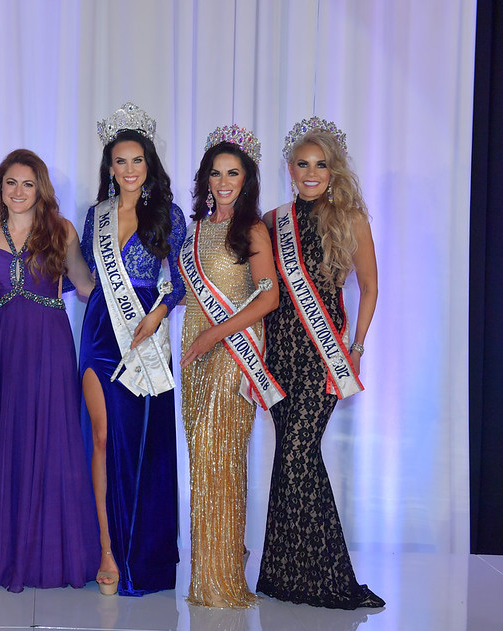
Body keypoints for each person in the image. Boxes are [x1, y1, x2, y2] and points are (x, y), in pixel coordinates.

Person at [0, 149, 98, 592]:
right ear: (0, 187)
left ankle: (46, 552)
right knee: (8, 437)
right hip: (3, 346)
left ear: (41, 189)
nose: (18, 191)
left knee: (51, 437)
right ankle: (4, 548)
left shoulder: (62, 230)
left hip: (50, 344)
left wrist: (150, 299)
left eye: (27, 184)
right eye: (10, 183)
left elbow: (87, 286)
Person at [256, 117, 382, 609]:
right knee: (294, 460)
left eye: (321, 165)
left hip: (320, 355)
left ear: (334, 170)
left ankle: (326, 576)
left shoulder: (350, 218)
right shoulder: (272, 220)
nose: (311, 173)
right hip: (279, 353)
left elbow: (370, 287)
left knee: (298, 457)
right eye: (303, 164)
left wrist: (356, 347)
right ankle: (286, 574)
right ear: (290, 169)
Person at [79, 103, 186, 596]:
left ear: (149, 164)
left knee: (142, 444)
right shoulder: (95, 216)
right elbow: (84, 279)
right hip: (102, 332)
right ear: (109, 168)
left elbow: (181, 281)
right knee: (101, 439)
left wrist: (158, 315)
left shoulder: (169, 214)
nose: (128, 170)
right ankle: (105, 548)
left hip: (147, 332)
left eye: (136, 160)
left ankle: (142, 552)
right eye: (119, 162)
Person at [177, 126, 280, 608]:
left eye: (232, 173)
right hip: (197, 350)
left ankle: (222, 580)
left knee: (224, 460)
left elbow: (270, 296)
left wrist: (215, 334)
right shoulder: (196, 228)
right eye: (216, 173)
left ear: (247, 178)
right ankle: (208, 574)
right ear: (205, 179)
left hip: (232, 349)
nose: (223, 181)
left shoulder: (253, 229)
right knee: (202, 461)